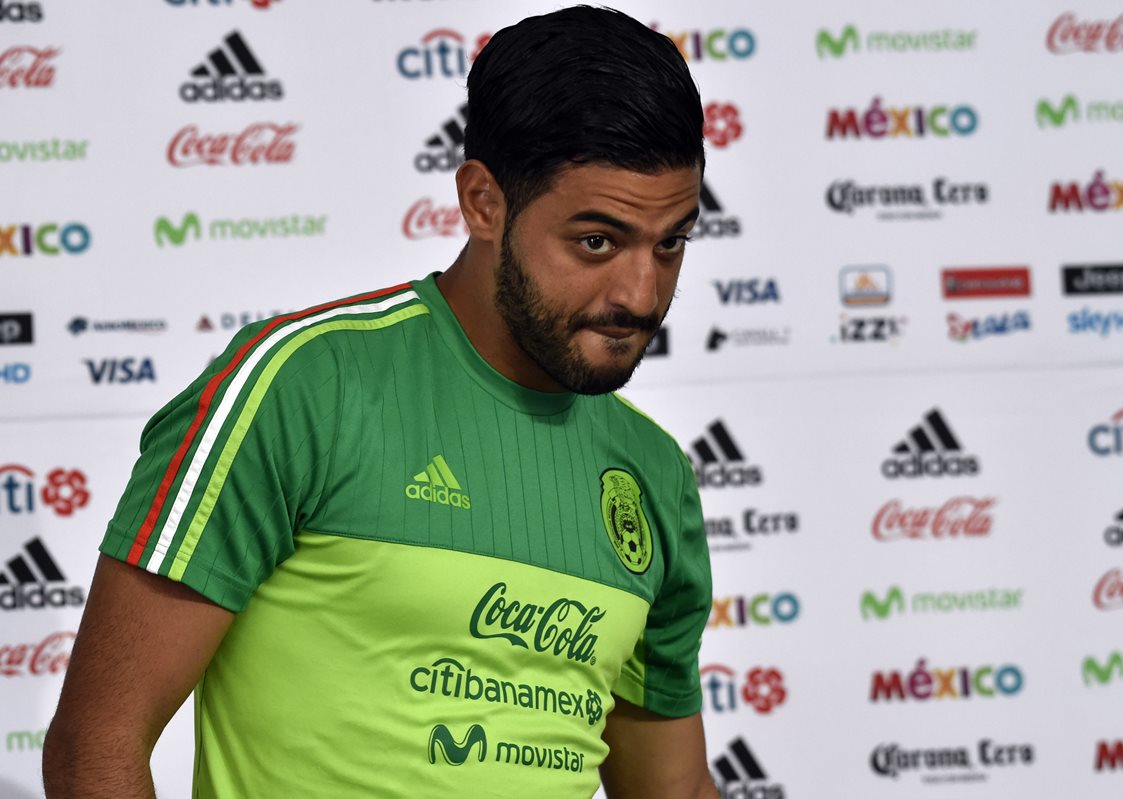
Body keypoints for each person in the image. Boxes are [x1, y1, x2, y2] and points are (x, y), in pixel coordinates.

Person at [43, 6, 715, 797]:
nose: (641, 293)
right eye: (596, 241)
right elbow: (97, 743)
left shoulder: (654, 475)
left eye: (670, 241)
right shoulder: (302, 386)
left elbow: (673, 789)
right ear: (483, 203)